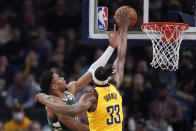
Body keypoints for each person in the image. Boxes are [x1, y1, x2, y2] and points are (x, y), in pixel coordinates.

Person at [35, 8, 129, 131]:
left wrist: (111, 47)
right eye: (59, 78)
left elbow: (92, 70)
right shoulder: (53, 104)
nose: (63, 78)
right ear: (54, 87)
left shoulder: (71, 90)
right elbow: (77, 126)